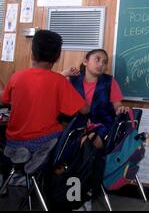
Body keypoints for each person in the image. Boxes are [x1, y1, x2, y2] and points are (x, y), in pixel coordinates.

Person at [0, 30, 88, 170]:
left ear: (32, 54)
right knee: (66, 133)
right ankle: (37, 163)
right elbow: (84, 109)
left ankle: (21, 163)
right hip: (45, 140)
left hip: (14, 141)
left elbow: (4, 99)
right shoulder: (59, 81)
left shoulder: (16, 77)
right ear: (58, 57)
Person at [61, 49, 128, 149]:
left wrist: (121, 109)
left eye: (104, 62)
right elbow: (51, 82)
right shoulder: (72, 80)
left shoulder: (109, 81)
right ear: (85, 61)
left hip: (102, 126)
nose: (101, 64)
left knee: (90, 142)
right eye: (97, 59)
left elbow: (117, 106)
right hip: (76, 127)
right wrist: (64, 73)